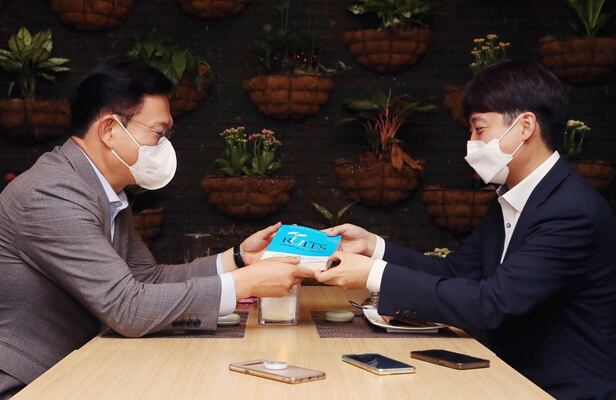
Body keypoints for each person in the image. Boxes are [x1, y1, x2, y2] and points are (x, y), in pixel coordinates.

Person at [0, 56, 311, 398]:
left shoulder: (104, 189)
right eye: (158, 133)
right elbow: (126, 306)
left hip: (79, 368)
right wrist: (243, 284)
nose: (164, 147)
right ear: (109, 130)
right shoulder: (51, 193)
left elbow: (146, 277)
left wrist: (237, 259)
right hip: (29, 383)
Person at [315, 61, 616, 399]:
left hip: (557, 390)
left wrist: (373, 275)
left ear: (525, 126)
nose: (471, 143)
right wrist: (373, 247)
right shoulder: (512, 198)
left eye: (479, 129)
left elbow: (493, 304)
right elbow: (456, 272)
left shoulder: (570, 210)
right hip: (506, 376)